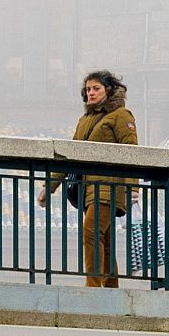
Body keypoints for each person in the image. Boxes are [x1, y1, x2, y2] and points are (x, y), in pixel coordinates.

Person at [36, 70, 138, 287]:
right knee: (105, 240)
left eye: (96, 88)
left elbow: (132, 152)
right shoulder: (85, 120)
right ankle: (111, 288)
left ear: (108, 90)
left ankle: (93, 285)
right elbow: (70, 154)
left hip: (110, 187)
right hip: (89, 188)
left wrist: (133, 187)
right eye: (88, 89)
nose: (91, 93)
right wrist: (50, 186)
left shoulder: (122, 116)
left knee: (90, 231)